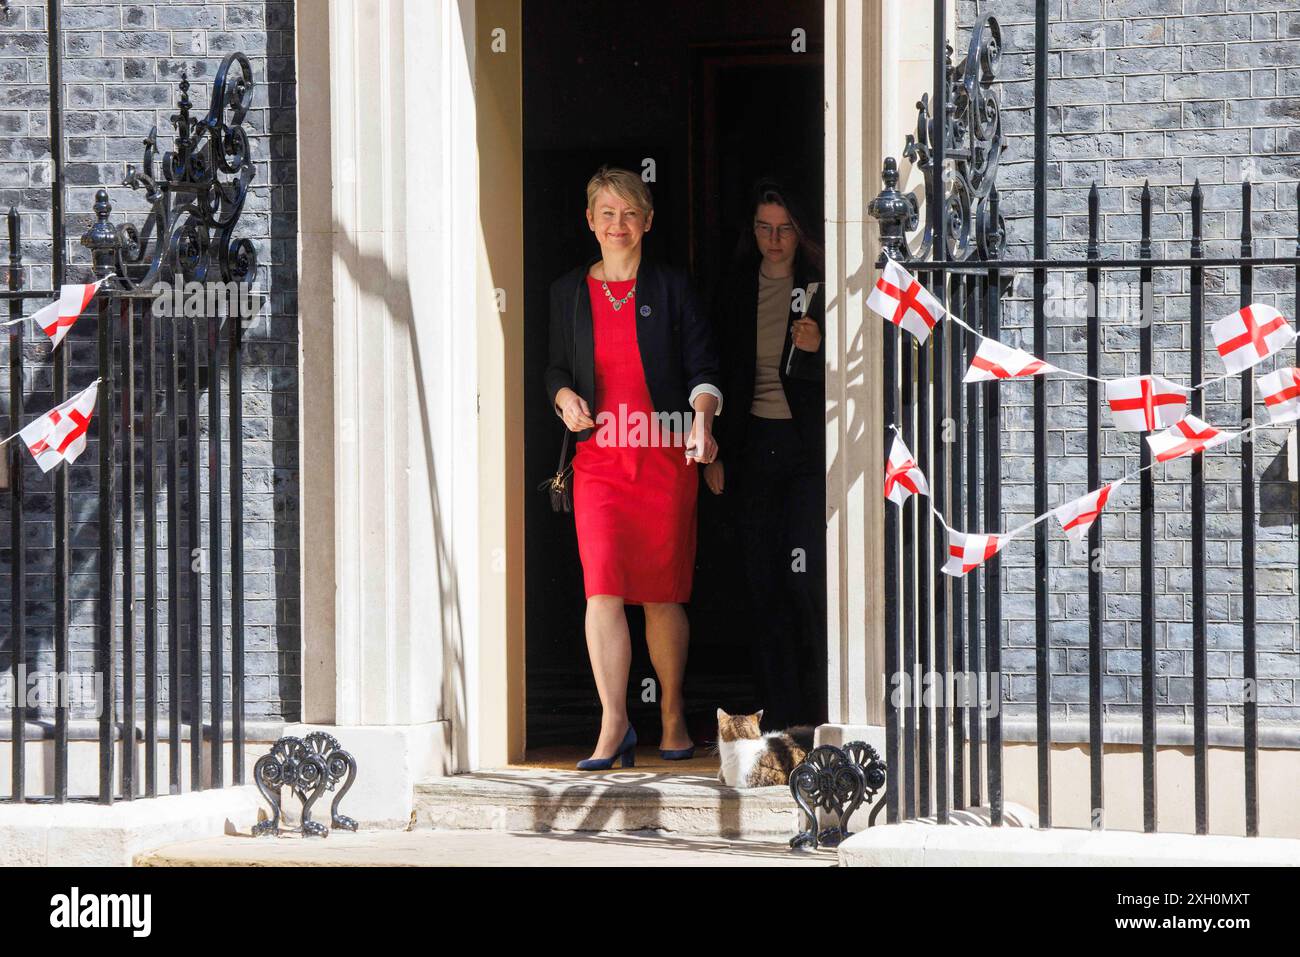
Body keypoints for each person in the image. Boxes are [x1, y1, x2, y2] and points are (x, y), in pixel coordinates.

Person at [545, 166, 724, 770]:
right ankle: (614, 724)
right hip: (599, 462)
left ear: (648, 221)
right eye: (607, 213)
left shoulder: (672, 288)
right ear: (589, 221)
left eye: (630, 214)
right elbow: (555, 369)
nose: (618, 225)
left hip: (664, 458)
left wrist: (702, 418)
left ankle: (672, 712)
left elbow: (704, 368)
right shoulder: (568, 290)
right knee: (602, 591)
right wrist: (562, 398)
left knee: (661, 595)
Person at [705, 178, 826, 730]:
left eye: (784, 229)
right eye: (764, 228)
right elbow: (717, 368)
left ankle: (817, 707)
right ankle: (777, 713)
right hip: (753, 447)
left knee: (805, 581)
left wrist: (818, 349)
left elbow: (860, 369)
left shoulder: (821, 286)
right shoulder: (735, 287)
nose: (774, 240)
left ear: (799, 231)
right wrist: (716, 454)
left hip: (806, 451)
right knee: (762, 583)